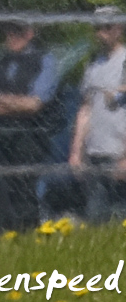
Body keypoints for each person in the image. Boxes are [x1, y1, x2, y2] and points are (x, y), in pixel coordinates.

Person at [0, 21, 59, 232]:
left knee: (25, 192)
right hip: (0, 138)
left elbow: (35, 104)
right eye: (8, 31)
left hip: (30, 140)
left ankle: (27, 236)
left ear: (29, 33)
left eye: (17, 32)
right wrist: (14, 105)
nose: (11, 36)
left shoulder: (44, 60)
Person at [68, 15, 126, 223]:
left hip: (119, 154)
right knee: (95, 222)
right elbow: (85, 108)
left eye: (107, 27)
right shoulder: (93, 64)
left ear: (118, 28)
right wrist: (76, 152)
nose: (101, 33)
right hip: (95, 154)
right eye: (98, 28)